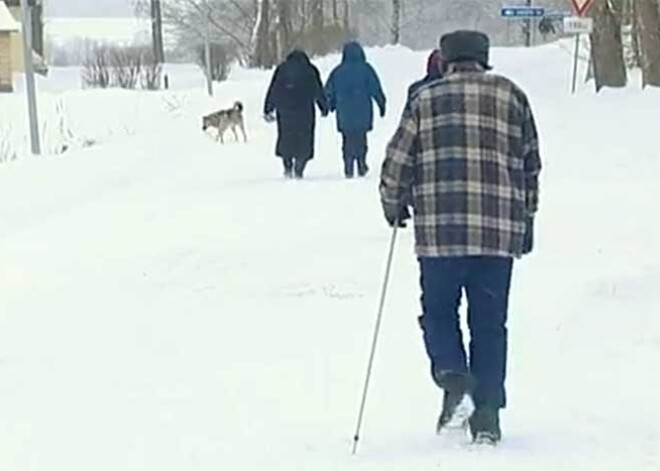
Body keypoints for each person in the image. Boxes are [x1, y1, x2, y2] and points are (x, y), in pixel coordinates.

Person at [379, 30, 541, 445]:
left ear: (445, 60)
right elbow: (530, 164)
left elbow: (398, 160)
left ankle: (453, 375)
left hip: (440, 235)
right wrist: (527, 218)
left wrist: (392, 201)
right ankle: (487, 415)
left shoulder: (425, 100)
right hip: (496, 233)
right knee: (490, 324)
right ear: (484, 58)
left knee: (438, 312)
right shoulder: (512, 96)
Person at [325, 42, 386, 178]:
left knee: (347, 140)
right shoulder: (366, 69)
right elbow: (375, 88)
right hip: (363, 113)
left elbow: (329, 91)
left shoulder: (338, 71)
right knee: (361, 139)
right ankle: (361, 163)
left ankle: (348, 165)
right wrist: (382, 104)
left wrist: (330, 105)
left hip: (345, 114)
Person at [264, 50, 328, 179]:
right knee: (304, 138)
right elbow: (318, 90)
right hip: (305, 110)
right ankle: (299, 166)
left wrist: (268, 108)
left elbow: (274, 89)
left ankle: (287, 166)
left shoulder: (282, 69)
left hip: (285, 111)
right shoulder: (310, 70)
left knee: (286, 137)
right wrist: (323, 107)